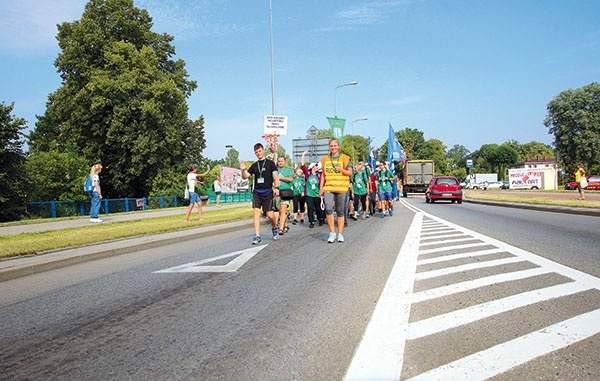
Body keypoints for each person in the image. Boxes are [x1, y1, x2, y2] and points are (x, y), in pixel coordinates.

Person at [240, 143, 280, 245]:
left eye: (260, 151)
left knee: (269, 214)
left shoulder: (270, 163)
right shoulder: (254, 165)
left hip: (268, 192)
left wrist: (276, 187)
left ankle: (275, 226)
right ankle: (257, 236)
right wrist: (243, 170)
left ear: (263, 151)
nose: (258, 153)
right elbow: (245, 177)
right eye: (256, 152)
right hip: (257, 192)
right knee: (256, 213)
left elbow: (276, 177)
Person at [319, 138, 352, 243]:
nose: (333, 148)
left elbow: (350, 173)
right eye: (331, 146)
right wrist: (321, 189)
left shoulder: (345, 158)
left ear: (338, 147)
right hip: (329, 187)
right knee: (328, 208)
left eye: (335, 145)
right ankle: (332, 233)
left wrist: (341, 170)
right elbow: (323, 176)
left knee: (340, 210)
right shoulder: (324, 160)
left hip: (341, 188)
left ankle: (340, 234)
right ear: (329, 147)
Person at [301, 151, 325, 228]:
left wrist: (321, 193)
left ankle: (320, 218)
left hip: (317, 194)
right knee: (310, 208)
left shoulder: (319, 175)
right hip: (309, 194)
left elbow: (322, 184)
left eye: (317, 166)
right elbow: (302, 165)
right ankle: (311, 221)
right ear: (312, 167)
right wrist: (303, 155)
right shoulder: (307, 173)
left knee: (318, 207)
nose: (317, 167)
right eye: (315, 166)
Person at [275, 156, 294, 236]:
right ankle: (285, 225)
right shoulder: (275, 170)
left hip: (286, 192)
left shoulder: (288, 170)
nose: (280, 162)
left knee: (283, 209)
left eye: (282, 161)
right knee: (280, 211)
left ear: (284, 161)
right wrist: (274, 188)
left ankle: (281, 228)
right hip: (277, 192)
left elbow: (290, 179)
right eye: (279, 161)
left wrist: (281, 178)